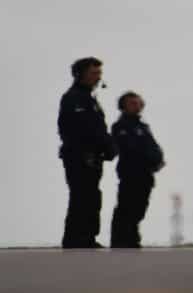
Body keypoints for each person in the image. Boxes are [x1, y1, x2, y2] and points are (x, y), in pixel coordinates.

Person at [58, 57, 116, 249]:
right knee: (81, 197)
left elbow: (98, 130)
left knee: (91, 197)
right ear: (80, 74)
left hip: (93, 158)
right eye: (93, 73)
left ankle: (87, 238)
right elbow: (73, 130)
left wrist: (108, 148)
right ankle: (76, 240)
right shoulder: (73, 98)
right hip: (79, 157)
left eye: (99, 73)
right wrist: (85, 152)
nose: (98, 77)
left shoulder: (89, 99)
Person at [110, 91, 165, 248]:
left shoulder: (143, 126)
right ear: (123, 107)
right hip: (130, 173)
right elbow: (131, 148)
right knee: (127, 207)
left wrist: (158, 160)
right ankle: (121, 241)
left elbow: (152, 146)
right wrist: (149, 159)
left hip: (146, 174)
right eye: (132, 103)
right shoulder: (121, 126)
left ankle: (132, 239)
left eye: (138, 102)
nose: (137, 106)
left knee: (140, 207)